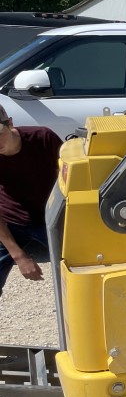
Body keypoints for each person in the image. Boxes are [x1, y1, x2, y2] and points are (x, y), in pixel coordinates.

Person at [0, 106, 62, 297]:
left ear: (9, 123)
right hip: (12, 221)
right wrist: (19, 256)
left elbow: (70, 177)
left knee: (80, 265)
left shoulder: (43, 138)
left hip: (51, 216)